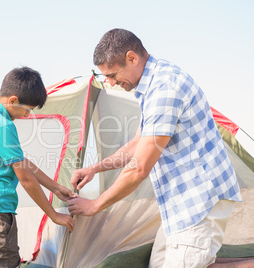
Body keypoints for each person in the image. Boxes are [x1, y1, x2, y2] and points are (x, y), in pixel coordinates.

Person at [67, 28, 243, 267]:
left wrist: (95, 206)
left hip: (198, 201)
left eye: (112, 74)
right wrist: (95, 169)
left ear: (132, 58)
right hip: (180, 203)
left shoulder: (164, 89)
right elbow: (137, 145)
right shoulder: (150, 85)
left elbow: (139, 169)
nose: (110, 82)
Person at [0, 66, 76, 268]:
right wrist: (54, 215)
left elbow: (23, 162)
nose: (26, 115)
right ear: (13, 100)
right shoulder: (2, 125)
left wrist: (56, 188)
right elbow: (25, 178)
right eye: (27, 109)